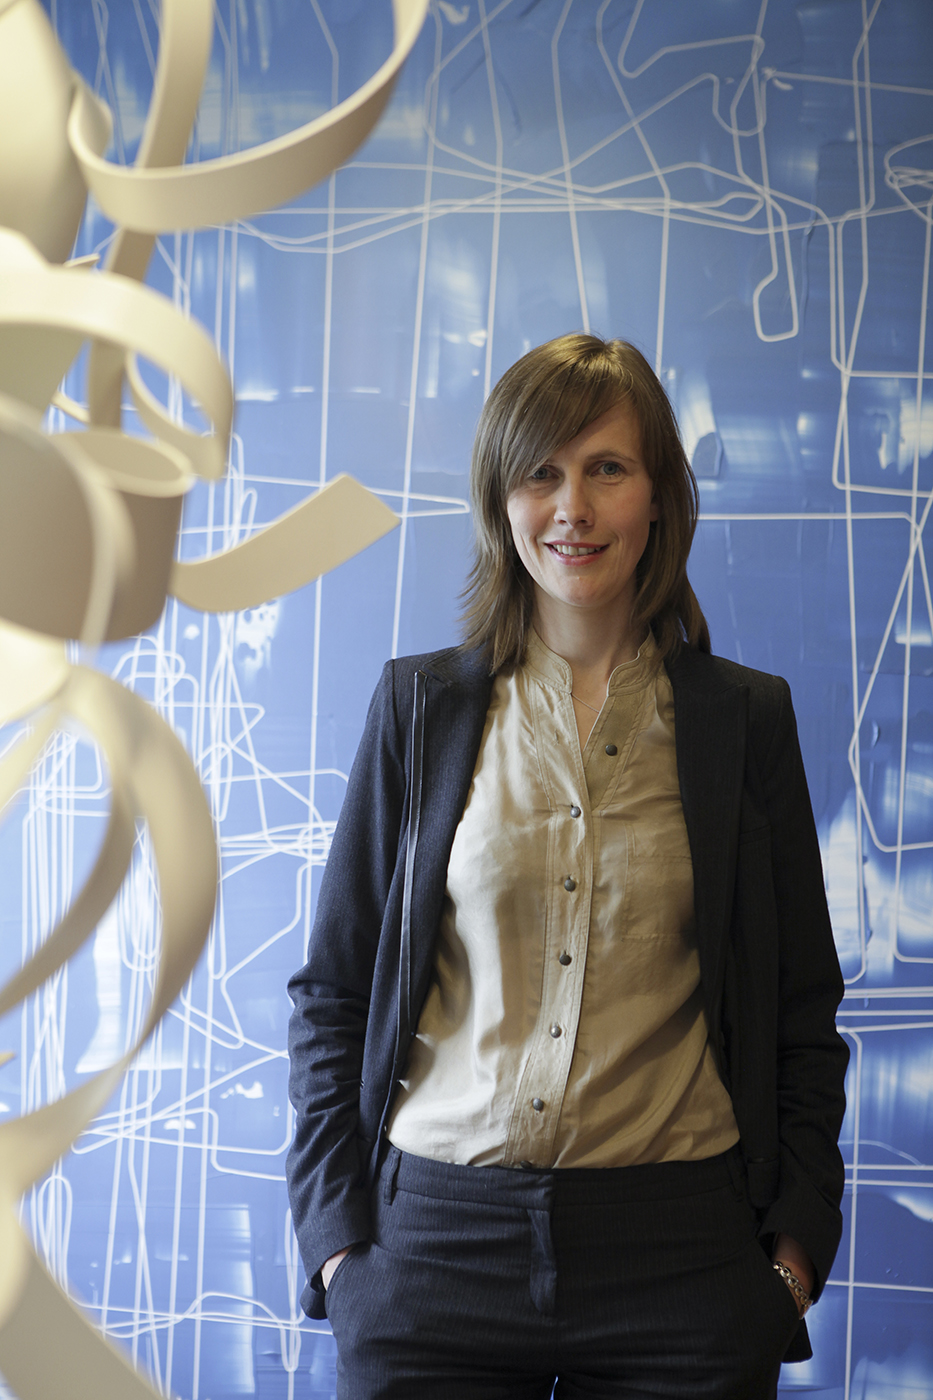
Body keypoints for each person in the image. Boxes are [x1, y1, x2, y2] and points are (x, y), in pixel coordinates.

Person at [286, 334, 849, 1399]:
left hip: (681, 1264)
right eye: (540, 472)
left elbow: (801, 1011)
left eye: (607, 468)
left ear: (658, 496)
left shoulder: (746, 722)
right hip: (433, 1257)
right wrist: (338, 1251)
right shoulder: (419, 711)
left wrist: (791, 1262)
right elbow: (333, 993)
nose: (571, 508)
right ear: (501, 498)